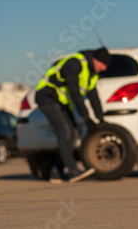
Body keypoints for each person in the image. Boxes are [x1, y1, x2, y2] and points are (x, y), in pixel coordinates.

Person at [35, 47, 112, 183]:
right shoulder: (75, 63)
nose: (105, 68)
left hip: (61, 102)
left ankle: (55, 173)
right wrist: (86, 118)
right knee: (64, 132)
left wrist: (100, 118)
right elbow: (75, 93)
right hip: (47, 97)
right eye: (103, 64)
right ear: (96, 60)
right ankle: (73, 171)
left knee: (74, 133)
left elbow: (93, 96)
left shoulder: (92, 74)